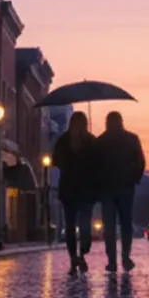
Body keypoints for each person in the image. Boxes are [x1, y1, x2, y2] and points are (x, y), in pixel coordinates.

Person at [51, 111, 100, 275]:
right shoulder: (91, 141)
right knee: (84, 225)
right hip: (85, 190)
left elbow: (55, 160)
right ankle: (81, 254)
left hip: (70, 189)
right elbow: (98, 165)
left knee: (71, 226)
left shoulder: (63, 141)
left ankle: (74, 258)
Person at [98, 111, 146, 272]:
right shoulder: (131, 139)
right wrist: (134, 178)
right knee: (126, 224)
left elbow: (93, 167)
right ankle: (125, 257)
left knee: (109, 226)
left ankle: (112, 260)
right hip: (125, 187)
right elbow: (140, 162)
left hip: (107, 189)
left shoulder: (101, 142)